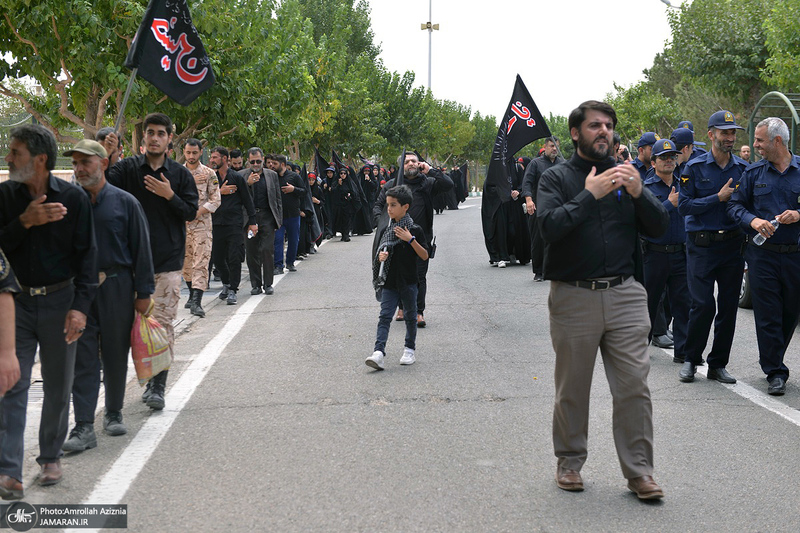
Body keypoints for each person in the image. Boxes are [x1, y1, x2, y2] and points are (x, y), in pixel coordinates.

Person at [537, 100, 668, 500]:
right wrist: (588, 196)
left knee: (634, 387)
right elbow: (548, 228)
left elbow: (660, 227)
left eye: (608, 125)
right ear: (575, 133)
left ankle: (640, 472)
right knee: (573, 389)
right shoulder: (556, 178)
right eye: (595, 125)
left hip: (626, 294)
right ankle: (569, 462)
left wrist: (640, 193)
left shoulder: (627, 176)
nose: (604, 131)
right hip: (574, 296)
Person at [0, 124, 98, 497]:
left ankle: (51, 457)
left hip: (61, 303)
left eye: (16, 152)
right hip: (15, 305)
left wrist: (80, 309)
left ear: (39, 159)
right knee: (12, 383)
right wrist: (24, 222)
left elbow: (88, 258)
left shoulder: (74, 199)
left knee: (58, 385)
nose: (8, 158)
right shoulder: (4, 198)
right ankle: (10, 471)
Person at [62, 140, 154, 452]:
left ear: (103, 164)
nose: (79, 169)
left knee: (115, 353)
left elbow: (141, 248)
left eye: (85, 162)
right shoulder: (69, 204)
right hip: (80, 292)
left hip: (117, 287)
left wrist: (144, 293)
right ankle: (83, 425)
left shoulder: (125, 203)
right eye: (75, 163)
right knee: (83, 358)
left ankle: (113, 412)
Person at [103, 113, 198, 410]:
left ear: (170, 139)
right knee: (122, 330)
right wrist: (106, 155)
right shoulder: (127, 170)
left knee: (162, 326)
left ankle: (157, 387)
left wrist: (170, 195)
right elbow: (100, 186)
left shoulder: (180, 175)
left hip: (166, 263)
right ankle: (118, 395)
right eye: (150, 132)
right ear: (143, 137)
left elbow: (190, 212)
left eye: (161, 133)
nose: (155, 138)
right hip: (127, 264)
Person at [728, 117, 800, 395]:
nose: (755, 145)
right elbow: (735, 206)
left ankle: (773, 358)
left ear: (777, 141)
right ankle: (775, 371)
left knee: (790, 312)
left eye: (760, 140)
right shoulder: (753, 173)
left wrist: (798, 214)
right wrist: (753, 220)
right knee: (768, 314)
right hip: (762, 256)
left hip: (794, 255)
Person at [677, 110, 748, 385]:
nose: (730, 137)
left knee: (728, 307)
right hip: (701, 246)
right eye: (724, 132)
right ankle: (691, 359)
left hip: (732, 245)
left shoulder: (743, 169)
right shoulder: (694, 168)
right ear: (711, 135)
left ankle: (718, 364)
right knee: (703, 304)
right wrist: (717, 198)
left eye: (732, 133)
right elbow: (684, 206)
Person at [373, 152, 452, 327]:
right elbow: (378, 206)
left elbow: (448, 184)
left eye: (414, 161)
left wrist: (430, 170)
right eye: (407, 161)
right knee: (400, 275)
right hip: (396, 239)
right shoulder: (393, 185)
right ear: (401, 166)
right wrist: (383, 225)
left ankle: (418, 312)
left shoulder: (428, 183)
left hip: (421, 239)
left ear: (419, 164)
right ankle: (401, 307)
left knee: (419, 276)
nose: (411, 163)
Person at [366, 185, 428, 370]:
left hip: (408, 281)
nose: (389, 209)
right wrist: (381, 256)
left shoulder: (414, 229)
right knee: (385, 316)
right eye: (388, 205)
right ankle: (378, 352)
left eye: (393, 205)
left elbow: (424, 255)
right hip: (389, 281)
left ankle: (409, 349)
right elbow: (381, 250)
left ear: (405, 207)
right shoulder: (387, 229)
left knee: (410, 316)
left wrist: (410, 239)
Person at [642, 139, 691, 364]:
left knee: (683, 305)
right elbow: (645, 220)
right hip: (655, 254)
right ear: (653, 163)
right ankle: (640, 349)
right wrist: (670, 204)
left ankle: (683, 352)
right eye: (663, 157)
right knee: (649, 303)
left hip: (681, 254)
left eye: (672, 156)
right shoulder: (645, 188)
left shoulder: (684, 185)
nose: (669, 160)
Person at [210, 147, 257, 305]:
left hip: (234, 224)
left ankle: (233, 289)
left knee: (234, 257)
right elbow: (204, 197)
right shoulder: (211, 178)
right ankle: (226, 282)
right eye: (211, 157)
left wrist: (252, 222)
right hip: (216, 224)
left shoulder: (236, 178)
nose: (212, 160)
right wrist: (220, 191)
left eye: (215, 157)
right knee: (217, 258)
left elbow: (247, 201)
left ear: (224, 159)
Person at [182, 139, 220, 317]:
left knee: (201, 262)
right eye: (188, 152)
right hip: (182, 226)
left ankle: (197, 301)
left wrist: (196, 213)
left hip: (202, 225)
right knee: (186, 262)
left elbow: (215, 200)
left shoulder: (209, 173)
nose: (191, 156)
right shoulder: (177, 173)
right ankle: (191, 293)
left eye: (194, 153)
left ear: (200, 152)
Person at [522, 136, 564, 281]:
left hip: (558, 208)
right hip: (538, 207)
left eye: (556, 146)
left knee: (558, 240)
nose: (554, 149)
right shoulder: (535, 164)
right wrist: (529, 200)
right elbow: (527, 183)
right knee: (538, 240)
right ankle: (539, 271)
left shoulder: (562, 164)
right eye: (552, 146)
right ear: (545, 147)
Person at [243, 148, 281, 295]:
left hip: (267, 217)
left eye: (258, 161)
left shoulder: (272, 175)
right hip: (249, 218)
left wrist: (278, 219)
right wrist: (247, 184)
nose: (255, 164)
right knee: (252, 252)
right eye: (252, 162)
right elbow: (239, 198)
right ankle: (256, 285)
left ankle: (268, 284)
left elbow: (277, 198)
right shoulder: (242, 176)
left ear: (263, 160)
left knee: (267, 250)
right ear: (248, 161)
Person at [268, 154, 305, 273]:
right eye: (271, 163)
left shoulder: (294, 176)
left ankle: (290, 262)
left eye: (275, 164)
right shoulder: (272, 177)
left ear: (282, 164)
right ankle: (278, 265)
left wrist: (293, 189)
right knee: (278, 240)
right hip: (278, 216)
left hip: (293, 215)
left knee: (293, 240)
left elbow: (304, 191)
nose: (272, 166)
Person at [331, 167, 360, 242]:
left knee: (347, 219)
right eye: (341, 173)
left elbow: (354, 192)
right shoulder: (336, 182)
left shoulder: (350, 182)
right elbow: (333, 192)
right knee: (340, 220)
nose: (343, 175)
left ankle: (346, 235)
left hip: (348, 204)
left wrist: (350, 196)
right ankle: (343, 234)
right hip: (339, 205)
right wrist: (339, 185)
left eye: (344, 173)